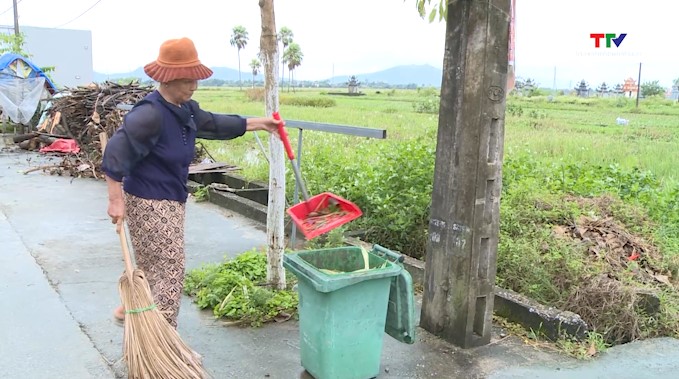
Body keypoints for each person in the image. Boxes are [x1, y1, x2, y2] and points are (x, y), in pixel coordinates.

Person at [102, 37, 281, 328]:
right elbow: (115, 154)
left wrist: (260, 123)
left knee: (154, 265)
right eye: (187, 80)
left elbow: (214, 123)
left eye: (195, 79)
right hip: (149, 201)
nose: (193, 86)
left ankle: (133, 311)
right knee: (171, 267)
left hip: (171, 198)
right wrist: (115, 199)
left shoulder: (185, 109)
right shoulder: (150, 114)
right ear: (169, 79)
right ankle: (162, 339)